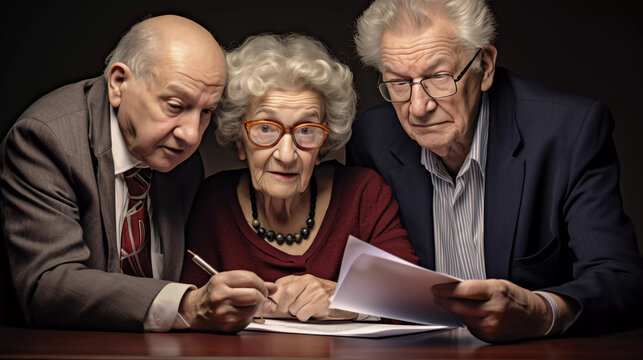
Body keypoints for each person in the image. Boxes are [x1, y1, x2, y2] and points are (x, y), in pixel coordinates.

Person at [347, 0, 643, 342]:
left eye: (439, 77)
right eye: (399, 83)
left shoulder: (568, 131)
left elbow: (623, 279)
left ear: (484, 67)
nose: (418, 107)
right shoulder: (372, 140)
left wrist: (540, 311)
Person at [0, 15, 276, 333]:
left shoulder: (182, 163)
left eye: (205, 112)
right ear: (118, 83)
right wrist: (188, 304)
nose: (190, 134)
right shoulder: (47, 139)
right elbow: (47, 286)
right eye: (174, 105)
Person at [180, 33, 418, 322]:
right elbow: (189, 313)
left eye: (306, 130)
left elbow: (414, 302)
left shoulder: (363, 195)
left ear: (322, 147)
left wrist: (346, 298)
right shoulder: (213, 202)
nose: (286, 154)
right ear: (240, 139)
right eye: (266, 129)